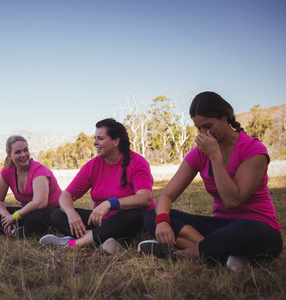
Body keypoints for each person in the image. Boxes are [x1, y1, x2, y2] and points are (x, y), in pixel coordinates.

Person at [139, 91, 283, 272]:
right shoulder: (199, 153)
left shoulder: (253, 149)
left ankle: (182, 254)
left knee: (241, 228)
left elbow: (232, 201)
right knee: (152, 215)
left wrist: (215, 156)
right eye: (198, 128)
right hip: (219, 228)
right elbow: (167, 194)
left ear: (224, 116)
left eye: (208, 126)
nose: (204, 133)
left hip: (257, 227)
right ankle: (218, 253)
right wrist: (161, 221)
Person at [40, 118, 156, 254]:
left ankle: (74, 242)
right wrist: (71, 213)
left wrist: (109, 203)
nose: (95, 142)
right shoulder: (93, 165)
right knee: (58, 214)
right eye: (95, 138)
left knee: (134, 215)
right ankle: (107, 241)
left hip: (127, 221)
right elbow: (66, 195)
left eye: (100, 138)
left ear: (116, 141)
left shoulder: (137, 162)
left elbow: (145, 198)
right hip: (101, 221)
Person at [0, 135, 61, 237]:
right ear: (9, 155)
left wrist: (14, 217)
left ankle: (11, 230)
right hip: (28, 211)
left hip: (52, 210)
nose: (23, 154)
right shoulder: (7, 171)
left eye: (26, 150)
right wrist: (7, 216)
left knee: (33, 218)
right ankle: (15, 230)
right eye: (18, 152)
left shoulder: (39, 170)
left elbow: (40, 203)